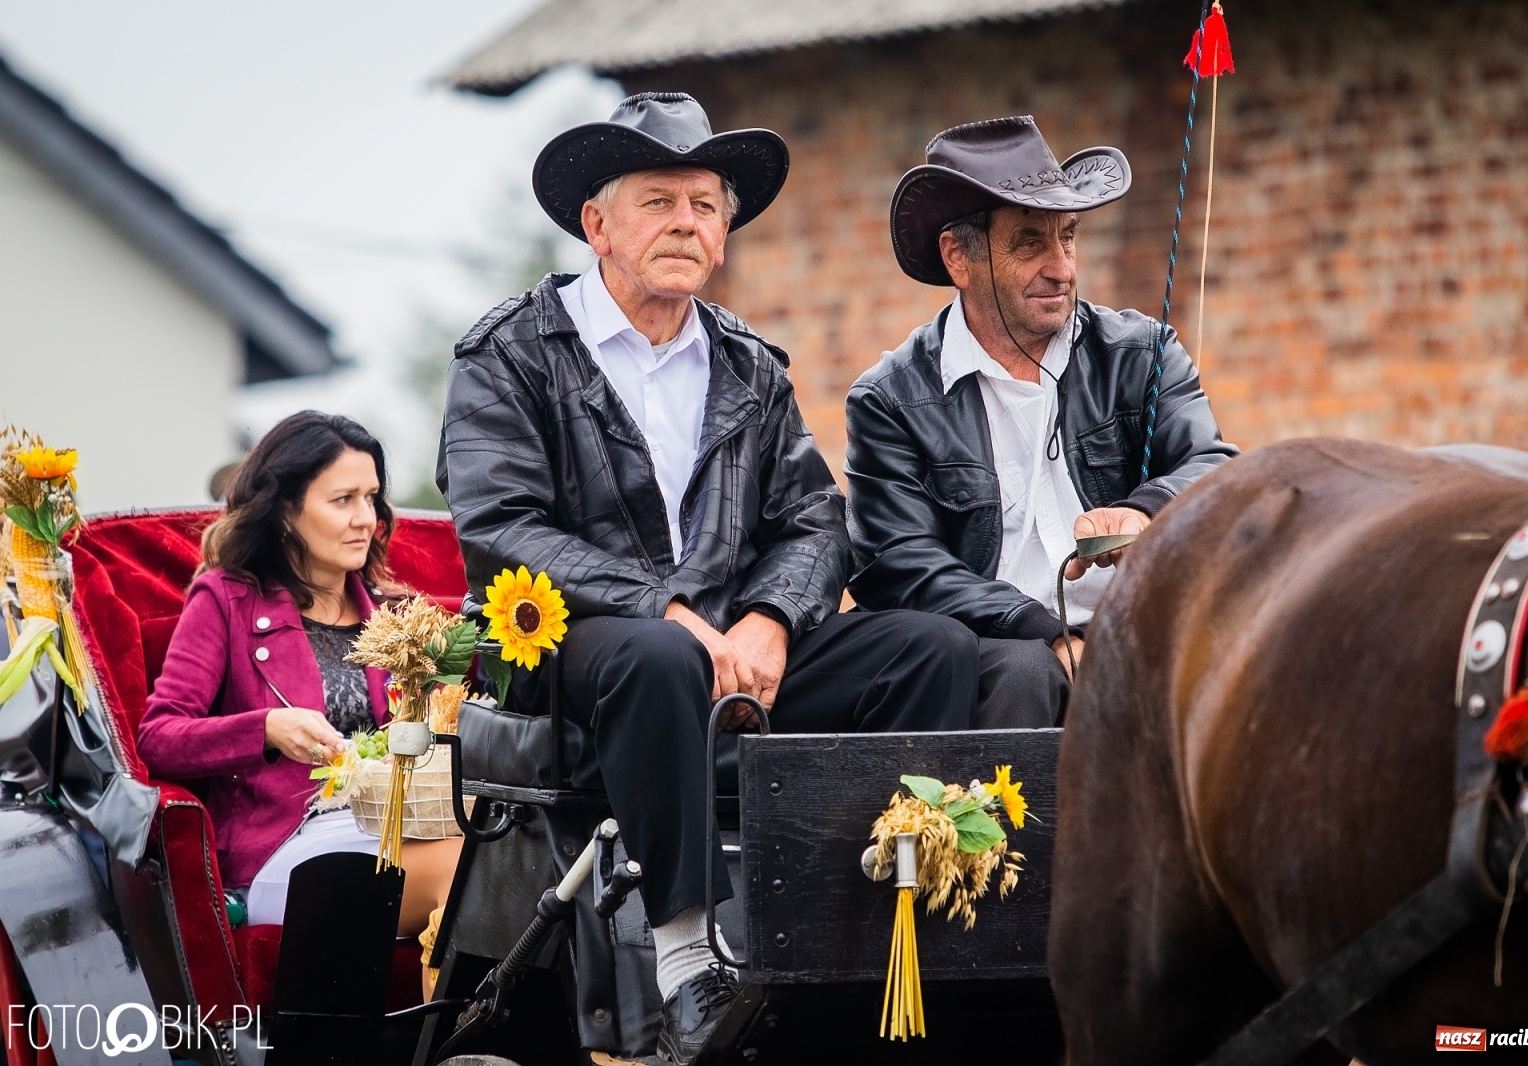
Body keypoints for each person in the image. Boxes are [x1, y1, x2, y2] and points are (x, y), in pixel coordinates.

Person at [438, 93, 978, 1064]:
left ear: (724, 234)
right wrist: (669, 610)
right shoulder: (510, 349)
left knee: (929, 647)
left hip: (736, 657)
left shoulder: (751, 366)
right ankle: (687, 965)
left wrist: (772, 616)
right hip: (573, 650)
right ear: (596, 225)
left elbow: (816, 517)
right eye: (658, 201)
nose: (685, 223)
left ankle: (877, 933)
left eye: (704, 205)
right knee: (656, 658)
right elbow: (500, 526)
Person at [845, 116, 1237, 728]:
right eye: (1030, 243)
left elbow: (1215, 467)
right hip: (995, 641)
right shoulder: (890, 398)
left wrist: (1144, 508)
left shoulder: (1140, 353)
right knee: (1024, 673)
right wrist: (1045, 631)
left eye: (1069, 236)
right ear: (959, 257)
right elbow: (898, 562)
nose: (1063, 267)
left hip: (1137, 622)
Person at [137, 412, 461, 936]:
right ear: (287, 511)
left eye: (371, 497)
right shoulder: (226, 598)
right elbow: (159, 737)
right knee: (462, 869)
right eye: (343, 500)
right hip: (283, 850)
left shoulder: (400, 616)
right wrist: (265, 729)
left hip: (401, 828)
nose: (366, 518)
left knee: (502, 858)